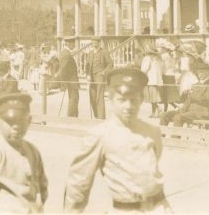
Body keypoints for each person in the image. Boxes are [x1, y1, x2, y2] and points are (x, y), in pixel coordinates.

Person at [64, 68, 171, 213]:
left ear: (141, 99)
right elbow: (78, 183)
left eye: (133, 100)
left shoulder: (152, 132)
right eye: (122, 100)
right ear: (111, 99)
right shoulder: (99, 135)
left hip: (160, 208)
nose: (128, 106)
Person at [160, 62, 209, 128]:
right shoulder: (195, 85)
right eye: (199, 72)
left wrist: (192, 95)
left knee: (178, 117)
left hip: (200, 112)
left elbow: (206, 98)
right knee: (164, 115)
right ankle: (161, 137)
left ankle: (175, 137)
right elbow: (182, 100)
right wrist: (184, 95)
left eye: (203, 72)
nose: (201, 74)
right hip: (187, 110)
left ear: (208, 73)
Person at [85, 38, 113, 119]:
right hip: (91, 77)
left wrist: (104, 72)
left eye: (96, 42)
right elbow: (87, 65)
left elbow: (110, 64)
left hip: (100, 76)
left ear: (99, 43)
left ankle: (101, 117)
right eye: (93, 42)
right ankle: (97, 115)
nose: (94, 44)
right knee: (92, 97)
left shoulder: (104, 52)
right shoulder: (90, 53)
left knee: (99, 96)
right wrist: (87, 75)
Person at [56, 38, 80, 117]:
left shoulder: (65, 52)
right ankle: (71, 117)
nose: (74, 45)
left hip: (71, 81)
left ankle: (73, 115)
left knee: (73, 98)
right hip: (71, 81)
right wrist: (63, 82)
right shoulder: (66, 54)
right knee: (74, 99)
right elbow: (63, 69)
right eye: (73, 44)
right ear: (68, 44)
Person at [141, 46, 164, 118]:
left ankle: (157, 110)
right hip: (157, 80)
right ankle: (155, 112)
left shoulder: (147, 58)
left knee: (152, 98)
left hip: (150, 80)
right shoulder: (158, 58)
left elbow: (144, 69)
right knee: (154, 98)